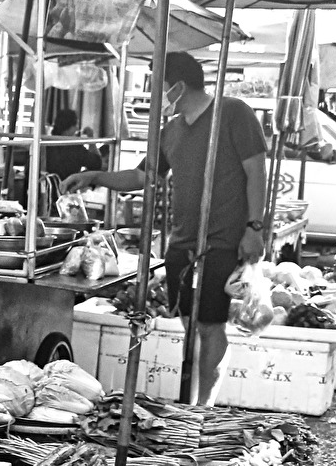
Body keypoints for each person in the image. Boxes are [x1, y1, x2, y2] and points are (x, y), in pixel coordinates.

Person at [64, 51, 267, 405]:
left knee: (210, 325)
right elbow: (143, 176)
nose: (154, 95)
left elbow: (256, 172)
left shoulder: (233, 113)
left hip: (222, 240)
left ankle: (202, 407)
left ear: (178, 86)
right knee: (191, 326)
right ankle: (193, 401)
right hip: (182, 243)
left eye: (157, 85)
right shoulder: (170, 130)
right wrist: (95, 176)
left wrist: (254, 227)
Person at [43, 107, 104, 181]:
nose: (77, 129)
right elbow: (97, 164)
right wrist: (91, 140)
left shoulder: (45, 143)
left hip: (45, 186)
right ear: (69, 126)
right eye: (76, 125)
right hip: (66, 188)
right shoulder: (74, 147)